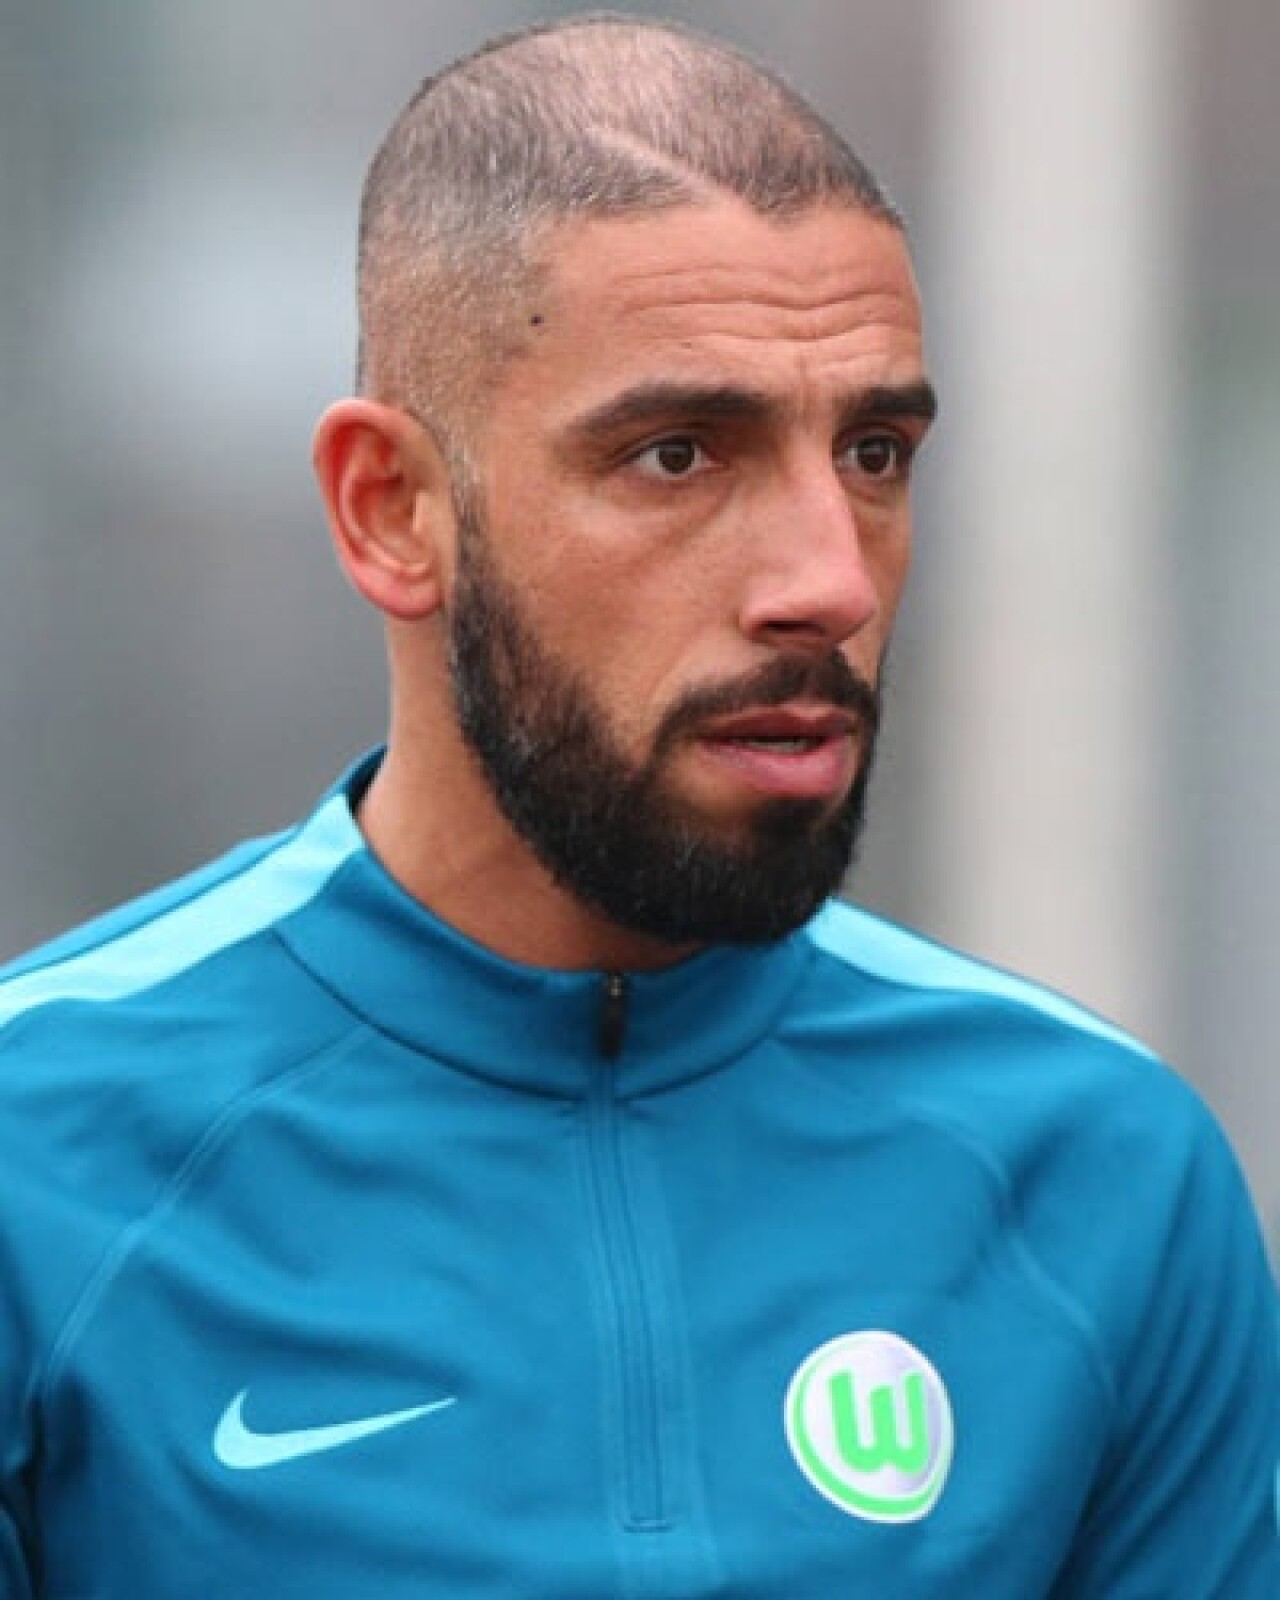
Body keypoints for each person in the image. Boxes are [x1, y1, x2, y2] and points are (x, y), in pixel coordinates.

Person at [0, 13, 1275, 1597]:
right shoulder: (38, 1154)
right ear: (392, 510)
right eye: (679, 455)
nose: (827, 579)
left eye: (874, 452)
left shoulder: (1102, 1175)